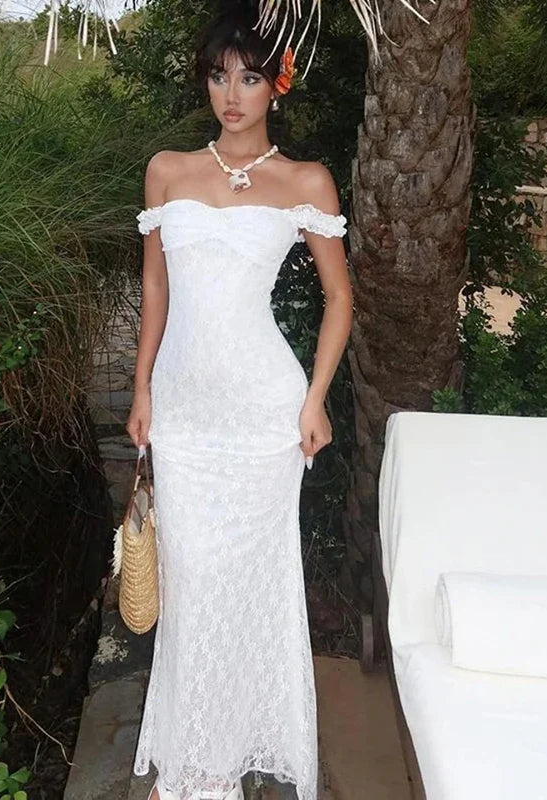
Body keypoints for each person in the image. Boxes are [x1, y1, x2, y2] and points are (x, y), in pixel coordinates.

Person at [125, 2, 353, 798]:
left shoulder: (306, 182)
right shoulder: (167, 171)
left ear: (276, 87)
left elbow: (340, 298)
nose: (232, 94)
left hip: (264, 417)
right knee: (191, 588)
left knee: (246, 592)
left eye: (249, 78)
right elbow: (155, 286)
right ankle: (193, 767)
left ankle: (212, 770)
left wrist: (315, 400)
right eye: (220, 77)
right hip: (185, 414)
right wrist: (141, 387)